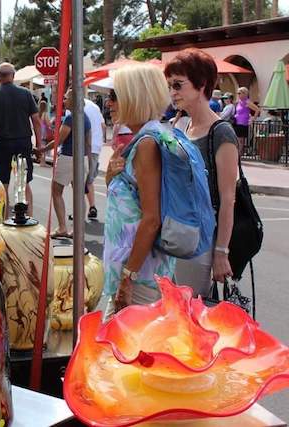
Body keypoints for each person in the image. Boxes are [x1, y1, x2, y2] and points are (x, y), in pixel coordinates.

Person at [102, 63, 176, 316]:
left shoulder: (147, 144)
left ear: (134, 97)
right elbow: (128, 204)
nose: (109, 103)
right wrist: (111, 177)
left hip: (140, 277)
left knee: (122, 338)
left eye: (114, 95)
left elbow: (151, 219)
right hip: (135, 272)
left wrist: (128, 277)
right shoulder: (143, 139)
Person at [164, 48, 239, 297]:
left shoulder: (221, 132)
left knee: (192, 309)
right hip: (177, 234)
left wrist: (221, 252)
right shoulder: (182, 126)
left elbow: (228, 199)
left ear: (201, 84)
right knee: (175, 308)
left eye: (178, 85)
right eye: (170, 86)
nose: (173, 92)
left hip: (201, 240)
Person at [0, 62, 42, 216]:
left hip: (2, 142)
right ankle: (28, 218)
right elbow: (36, 121)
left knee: (2, 184)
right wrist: (39, 144)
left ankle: (3, 219)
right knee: (24, 181)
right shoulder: (26, 94)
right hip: (23, 142)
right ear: (13, 76)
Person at [35, 88, 91, 238]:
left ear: (73, 100)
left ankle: (62, 227)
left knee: (56, 191)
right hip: (82, 158)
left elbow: (59, 140)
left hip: (68, 157)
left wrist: (42, 149)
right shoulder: (85, 117)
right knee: (79, 194)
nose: (63, 101)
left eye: (66, 98)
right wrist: (89, 163)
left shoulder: (70, 118)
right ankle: (77, 229)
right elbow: (89, 142)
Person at [84, 97, 105, 220]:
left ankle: (79, 210)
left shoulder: (74, 104)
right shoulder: (94, 106)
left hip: (83, 147)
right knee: (89, 180)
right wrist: (102, 140)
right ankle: (92, 206)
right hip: (96, 147)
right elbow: (103, 125)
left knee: (78, 180)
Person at [233, 86, 260, 154]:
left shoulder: (247, 102)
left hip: (243, 123)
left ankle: (239, 154)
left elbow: (257, 110)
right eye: (237, 93)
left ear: (244, 93)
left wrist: (253, 119)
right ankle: (238, 154)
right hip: (237, 123)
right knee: (237, 139)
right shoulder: (239, 102)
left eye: (239, 93)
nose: (238, 95)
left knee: (240, 140)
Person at [38, 100, 52, 167]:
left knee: (42, 145)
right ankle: (43, 162)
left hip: (40, 130)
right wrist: (52, 120)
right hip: (45, 132)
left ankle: (42, 161)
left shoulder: (39, 114)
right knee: (44, 146)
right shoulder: (45, 114)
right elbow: (48, 123)